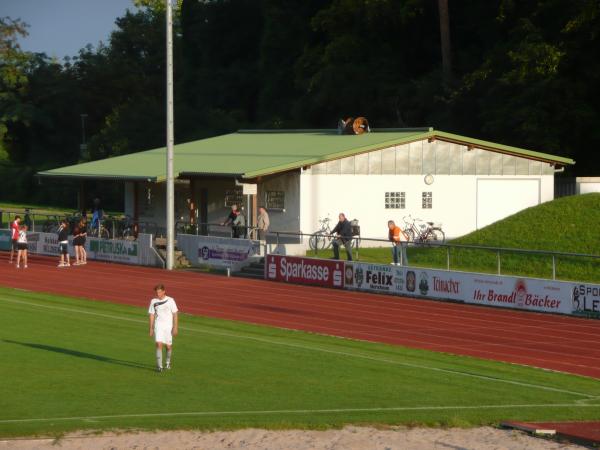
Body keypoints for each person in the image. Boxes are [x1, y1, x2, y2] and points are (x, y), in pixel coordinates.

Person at [148, 284, 179, 372]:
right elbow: (151, 315)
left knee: (168, 347)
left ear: (164, 291)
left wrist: (175, 327)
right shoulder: (153, 301)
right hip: (158, 326)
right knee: (158, 344)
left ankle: (168, 362)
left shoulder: (170, 300)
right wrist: (151, 328)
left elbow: (175, 314)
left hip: (168, 327)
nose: (158, 294)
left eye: (160, 292)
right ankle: (159, 366)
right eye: (157, 292)